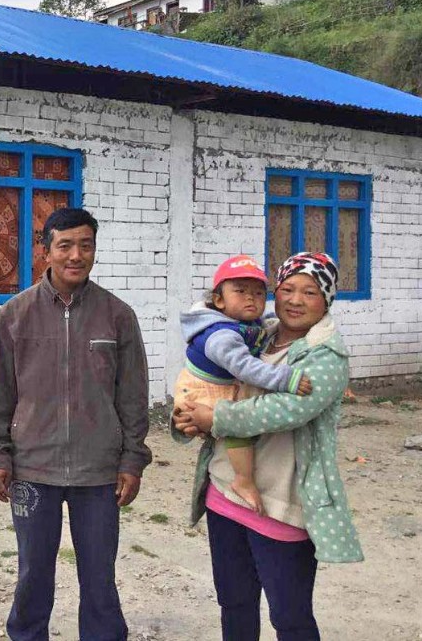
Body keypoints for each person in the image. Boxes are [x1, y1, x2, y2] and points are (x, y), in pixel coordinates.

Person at [0, 207, 152, 641]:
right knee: (34, 572)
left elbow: (132, 395)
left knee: (99, 574)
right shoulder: (15, 315)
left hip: (99, 472)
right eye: (65, 245)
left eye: (86, 245)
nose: (77, 255)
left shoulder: (118, 315)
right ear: (46, 252)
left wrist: (132, 459)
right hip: (32, 468)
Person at [174, 252, 363, 641]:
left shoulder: (327, 355)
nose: (295, 300)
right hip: (225, 492)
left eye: (310, 292)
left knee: (290, 617)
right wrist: (189, 420)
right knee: (235, 604)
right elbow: (214, 383)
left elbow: (282, 411)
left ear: (326, 300)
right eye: (288, 289)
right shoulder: (253, 333)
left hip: (281, 504)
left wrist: (216, 417)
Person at [175, 255, 313, 515]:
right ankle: (243, 479)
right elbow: (246, 368)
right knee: (236, 429)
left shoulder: (245, 323)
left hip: (219, 385)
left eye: (258, 293)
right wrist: (286, 379)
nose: (251, 298)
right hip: (203, 389)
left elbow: (266, 325)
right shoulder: (221, 335)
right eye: (240, 291)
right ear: (219, 300)